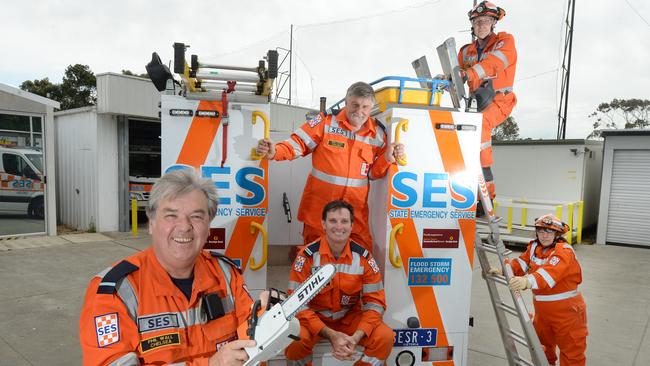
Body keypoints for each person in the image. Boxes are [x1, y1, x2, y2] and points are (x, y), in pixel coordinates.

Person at [79, 169, 266, 365]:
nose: (184, 226)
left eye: (196, 217)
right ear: (151, 223)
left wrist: (266, 318)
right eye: (171, 215)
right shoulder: (115, 292)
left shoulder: (226, 274)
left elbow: (251, 340)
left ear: (208, 227)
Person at [256, 82, 405, 252]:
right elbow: (297, 144)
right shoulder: (325, 122)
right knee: (314, 258)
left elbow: (372, 173)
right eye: (355, 105)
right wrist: (275, 151)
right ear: (346, 103)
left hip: (355, 212)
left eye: (365, 107)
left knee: (360, 258)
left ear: (371, 107)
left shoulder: (378, 134)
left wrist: (387, 158)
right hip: (319, 211)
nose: (359, 111)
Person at [284, 200, 393, 366]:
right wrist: (331, 334)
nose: (339, 226)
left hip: (349, 319)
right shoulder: (306, 257)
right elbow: (296, 305)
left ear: (352, 226)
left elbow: (375, 304)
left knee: (385, 337)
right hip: (314, 321)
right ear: (323, 224)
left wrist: (356, 336)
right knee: (293, 339)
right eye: (333, 221)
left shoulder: (364, 258)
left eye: (344, 221)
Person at [492, 214, 588, 366]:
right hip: (542, 312)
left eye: (549, 232)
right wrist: (503, 271)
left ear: (557, 234)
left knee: (572, 352)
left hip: (567, 312)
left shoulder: (564, 251)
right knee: (542, 349)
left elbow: (549, 274)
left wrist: (526, 281)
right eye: (541, 231)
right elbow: (521, 264)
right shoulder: (534, 248)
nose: (544, 235)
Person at [458, 1, 517, 214]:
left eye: (485, 21)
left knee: (480, 127)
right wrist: (447, 79)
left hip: (500, 100)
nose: (481, 25)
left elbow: (495, 63)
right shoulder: (466, 52)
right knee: (460, 134)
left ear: (493, 23)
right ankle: (465, 188)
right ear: (472, 25)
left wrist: (469, 74)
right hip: (476, 102)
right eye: (477, 21)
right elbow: (459, 74)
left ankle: (486, 197)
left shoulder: (505, 42)